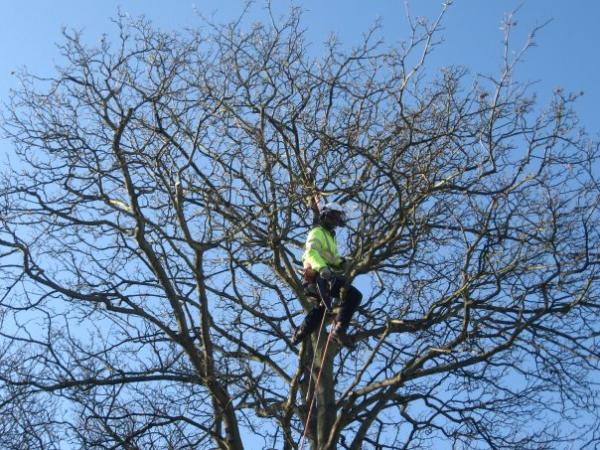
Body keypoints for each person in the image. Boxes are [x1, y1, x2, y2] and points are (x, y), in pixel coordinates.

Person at [291, 202, 363, 347]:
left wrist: (341, 262)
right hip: (318, 275)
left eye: (337, 219)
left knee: (321, 311)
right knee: (354, 296)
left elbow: (332, 258)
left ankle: (300, 333)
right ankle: (339, 330)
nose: (335, 222)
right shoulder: (317, 232)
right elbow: (311, 252)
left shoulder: (330, 238)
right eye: (333, 217)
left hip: (324, 275)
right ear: (325, 216)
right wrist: (323, 268)